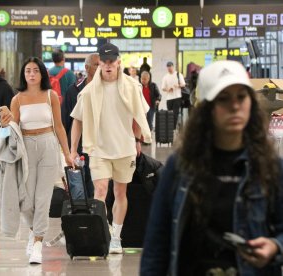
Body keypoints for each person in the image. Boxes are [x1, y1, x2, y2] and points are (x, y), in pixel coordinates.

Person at [141, 60, 283, 275]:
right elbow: (157, 241)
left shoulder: (270, 167)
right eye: (223, 99)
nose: (235, 106)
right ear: (207, 108)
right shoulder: (180, 167)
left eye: (241, 97)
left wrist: (275, 245)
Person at [70, 43, 152, 254]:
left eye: (111, 62)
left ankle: (116, 236)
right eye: (103, 62)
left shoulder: (132, 87)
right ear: (99, 66)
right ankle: (103, 233)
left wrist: (137, 140)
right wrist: (72, 150)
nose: (107, 66)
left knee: (120, 192)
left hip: (124, 148)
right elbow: (77, 120)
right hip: (97, 148)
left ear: (118, 63)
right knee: (100, 190)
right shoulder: (89, 91)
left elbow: (138, 115)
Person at [0, 57, 72, 265]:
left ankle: (38, 244)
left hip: (49, 144)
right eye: (28, 71)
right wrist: (5, 123)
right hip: (26, 146)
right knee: (26, 200)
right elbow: (13, 128)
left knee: (43, 199)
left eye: (35, 70)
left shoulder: (51, 96)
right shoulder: (17, 99)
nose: (31, 74)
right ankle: (34, 233)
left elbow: (59, 126)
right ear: (24, 74)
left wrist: (67, 153)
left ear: (42, 74)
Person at [62, 53, 100, 198]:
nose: (100, 68)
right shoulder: (74, 90)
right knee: (79, 183)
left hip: (99, 145)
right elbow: (66, 120)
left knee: (97, 184)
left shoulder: (106, 89)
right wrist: (67, 148)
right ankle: (81, 214)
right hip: (79, 147)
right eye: (96, 64)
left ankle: (96, 213)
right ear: (87, 67)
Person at [161, 61, 185, 129]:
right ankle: (171, 128)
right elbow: (163, 88)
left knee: (175, 114)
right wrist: (167, 89)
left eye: (170, 67)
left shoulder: (178, 74)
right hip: (169, 98)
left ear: (173, 67)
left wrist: (178, 86)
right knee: (170, 114)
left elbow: (183, 84)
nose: (169, 68)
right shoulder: (165, 77)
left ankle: (173, 128)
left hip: (177, 97)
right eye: (168, 67)